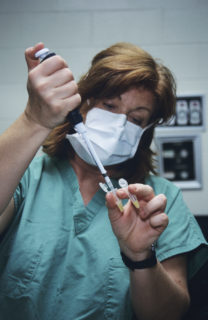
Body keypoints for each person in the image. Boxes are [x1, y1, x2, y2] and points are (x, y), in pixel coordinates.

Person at [0, 42, 207, 320]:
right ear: (83, 102)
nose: (119, 124)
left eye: (136, 118)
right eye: (109, 105)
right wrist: (33, 120)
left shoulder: (158, 201)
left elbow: (167, 314)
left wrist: (141, 257)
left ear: (146, 131)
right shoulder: (27, 175)